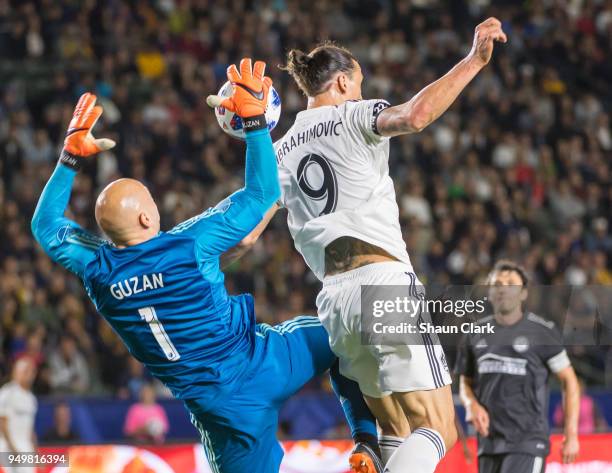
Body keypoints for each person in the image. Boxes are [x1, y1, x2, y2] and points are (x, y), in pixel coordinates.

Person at [31, 59, 379, 473]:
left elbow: (47, 227)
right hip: (263, 361)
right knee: (344, 342)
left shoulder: (98, 272)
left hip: (221, 414)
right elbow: (262, 192)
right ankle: (367, 444)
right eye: (151, 200)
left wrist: (69, 158)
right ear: (146, 218)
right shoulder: (190, 245)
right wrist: (256, 127)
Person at [209, 17, 506, 473]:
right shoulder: (356, 114)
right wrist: (474, 60)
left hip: (336, 302)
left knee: (394, 431)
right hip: (384, 284)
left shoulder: (280, 151)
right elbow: (416, 115)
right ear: (343, 81)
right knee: (439, 429)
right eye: (360, 84)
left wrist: (193, 265)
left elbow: (246, 237)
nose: (363, 92)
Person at [456, 260, 581, 473]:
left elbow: (569, 381)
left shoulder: (543, 333)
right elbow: (465, 381)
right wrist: (471, 405)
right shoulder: (473, 334)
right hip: (488, 443)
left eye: (511, 283)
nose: (503, 287)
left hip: (527, 442)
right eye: (497, 283)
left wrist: (571, 434)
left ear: (523, 293)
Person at [0, 357, 38, 473]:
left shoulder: (31, 399)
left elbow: (29, 428)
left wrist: (36, 452)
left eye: (31, 371)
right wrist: (12, 449)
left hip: (25, 448)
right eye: (25, 371)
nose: (29, 375)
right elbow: (2, 423)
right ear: (16, 372)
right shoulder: (7, 393)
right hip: (9, 448)